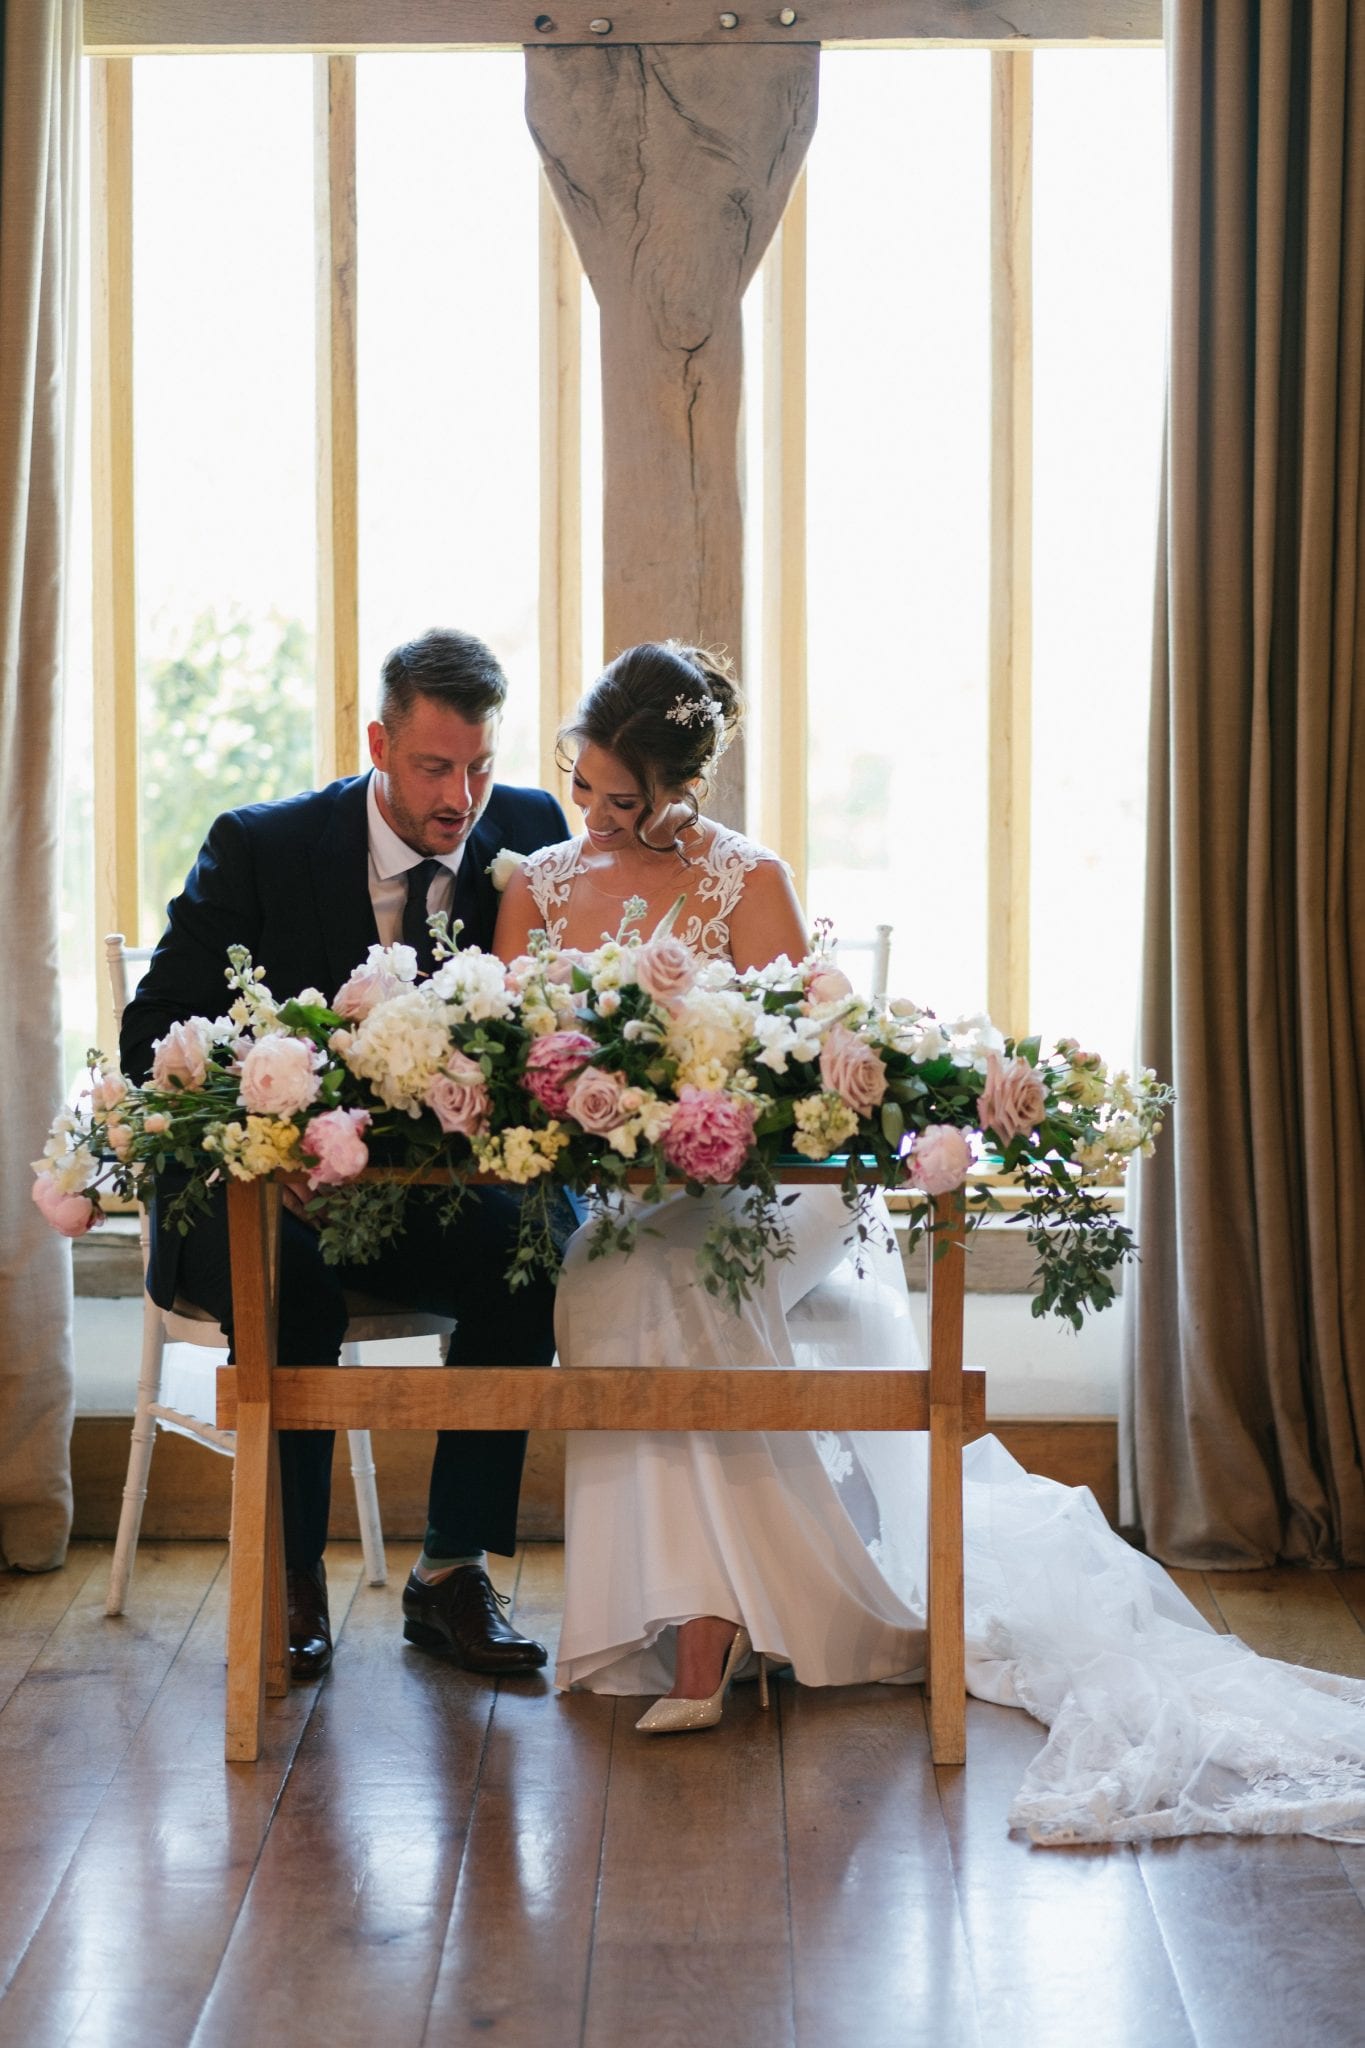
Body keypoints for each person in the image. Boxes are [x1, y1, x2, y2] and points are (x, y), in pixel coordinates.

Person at [494, 639, 1365, 1844]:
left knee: (672, 1264)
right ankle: (690, 1610)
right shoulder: (534, 878)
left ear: (679, 786)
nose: (592, 814)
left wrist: (713, 1102)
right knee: (613, 1266)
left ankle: (709, 1630)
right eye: (579, 782)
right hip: (629, 1188)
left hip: (772, 1188)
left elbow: (822, 1075)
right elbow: (499, 1057)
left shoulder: (748, 880)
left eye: (620, 797)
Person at [122, 627, 570, 1684]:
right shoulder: (262, 845)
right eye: (432, 765)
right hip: (267, 1195)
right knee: (291, 1269)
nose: (462, 796)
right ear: (378, 740)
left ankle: (451, 1573)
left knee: (544, 1247)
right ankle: (286, 1573)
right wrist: (271, 1124)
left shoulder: (532, 831)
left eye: (480, 764)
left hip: (431, 1194)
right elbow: (155, 1033)